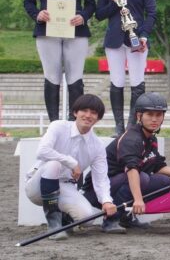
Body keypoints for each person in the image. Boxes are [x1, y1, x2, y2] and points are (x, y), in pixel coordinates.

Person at [83, 93, 170, 232]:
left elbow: (158, 167)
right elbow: (132, 169)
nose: (154, 119)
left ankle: (125, 216)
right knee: (142, 177)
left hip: (120, 185)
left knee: (164, 182)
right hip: (97, 192)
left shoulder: (151, 139)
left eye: (158, 115)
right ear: (139, 116)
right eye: (150, 114)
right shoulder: (132, 139)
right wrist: (138, 200)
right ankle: (111, 220)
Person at [24, 0, 96, 122]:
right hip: (47, 31)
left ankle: (75, 123)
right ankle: (54, 123)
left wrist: (83, 16)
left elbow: (91, 4)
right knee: (51, 76)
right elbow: (28, 1)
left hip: (76, 31)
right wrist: (37, 14)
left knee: (75, 78)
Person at [24, 94, 117, 240]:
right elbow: (42, 151)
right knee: (54, 164)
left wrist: (106, 200)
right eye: (84, 111)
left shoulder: (97, 146)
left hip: (64, 186)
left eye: (93, 113)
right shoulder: (58, 126)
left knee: (87, 218)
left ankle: (64, 220)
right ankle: (53, 225)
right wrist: (71, 163)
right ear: (75, 112)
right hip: (38, 185)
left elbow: (101, 178)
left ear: (98, 118)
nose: (88, 115)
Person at [95, 0, 157, 137]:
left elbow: (152, 13)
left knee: (137, 82)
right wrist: (113, 2)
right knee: (117, 81)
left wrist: (145, 35)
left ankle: (132, 125)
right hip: (114, 40)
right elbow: (99, 14)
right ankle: (119, 126)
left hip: (136, 40)